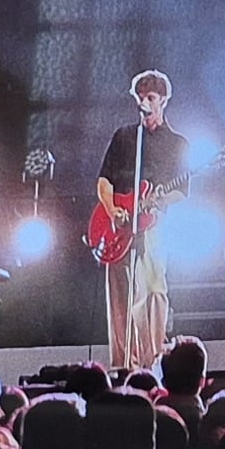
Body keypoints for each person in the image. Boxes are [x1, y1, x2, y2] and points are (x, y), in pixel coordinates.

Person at [91, 71, 185, 369]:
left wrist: (158, 200)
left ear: (164, 101)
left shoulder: (176, 142)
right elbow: (104, 180)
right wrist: (111, 210)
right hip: (119, 223)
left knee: (154, 290)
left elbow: (182, 192)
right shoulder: (124, 136)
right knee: (120, 297)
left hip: (155, 223)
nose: (144, 103)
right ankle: (123, 362)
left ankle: (152, 360)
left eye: (151, 98)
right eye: (140, 98)